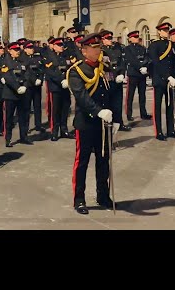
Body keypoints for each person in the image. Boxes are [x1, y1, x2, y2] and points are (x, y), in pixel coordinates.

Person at [66, 33, 114, 215]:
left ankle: (103, 195)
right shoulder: (76, 71)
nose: (98, 50)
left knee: (103, 161)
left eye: (99, 47)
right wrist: (98, 111)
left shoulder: (105, 68)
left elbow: (112, 93)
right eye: (94, 47)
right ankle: (79, 199)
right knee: (82, 162)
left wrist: (115, 117)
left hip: (104, 124)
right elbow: (81, 96)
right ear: (84, 51)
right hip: (86, 123)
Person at [148, 22, 175, 140]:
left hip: (170, 81)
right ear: (159, 32)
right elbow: (156, 64)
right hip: (159, 80)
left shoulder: (171, 45)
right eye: (164, 30)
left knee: (170, 106)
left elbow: (173, 61)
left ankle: (171, 130)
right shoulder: (154, 46)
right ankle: (159, 132)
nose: (166, 32)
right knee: (157, 107)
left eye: (167, 31)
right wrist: (167, 76)